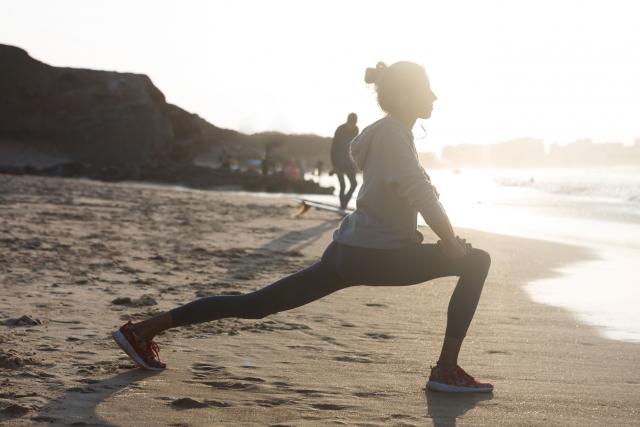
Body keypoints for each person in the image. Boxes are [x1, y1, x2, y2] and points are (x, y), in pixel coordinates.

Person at [111, 60, 494, 393]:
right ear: (408, 95)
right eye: (427, 89)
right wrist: (449, 243)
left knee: (254, 305)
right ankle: (446, 370)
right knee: (476, 262)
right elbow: (420, 193)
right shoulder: (393, 136)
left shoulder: (387, 133)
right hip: (377, 255)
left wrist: (445, 240)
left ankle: (141, 331)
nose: (435, 97)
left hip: (347, 252)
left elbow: (401, 195)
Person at [331, 113, 359, 209]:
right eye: (350, 125)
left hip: (347, 159)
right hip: (338, 159)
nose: (351, 127)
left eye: (353, 125)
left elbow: (355, 148)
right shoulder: (340, 129)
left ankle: (344, 205)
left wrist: (356, 164)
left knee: (354, 184)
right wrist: (334, 165)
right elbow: (333, 149)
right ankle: (343, 207)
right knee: (342, 185)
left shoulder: (356, 130)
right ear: (347, 122)